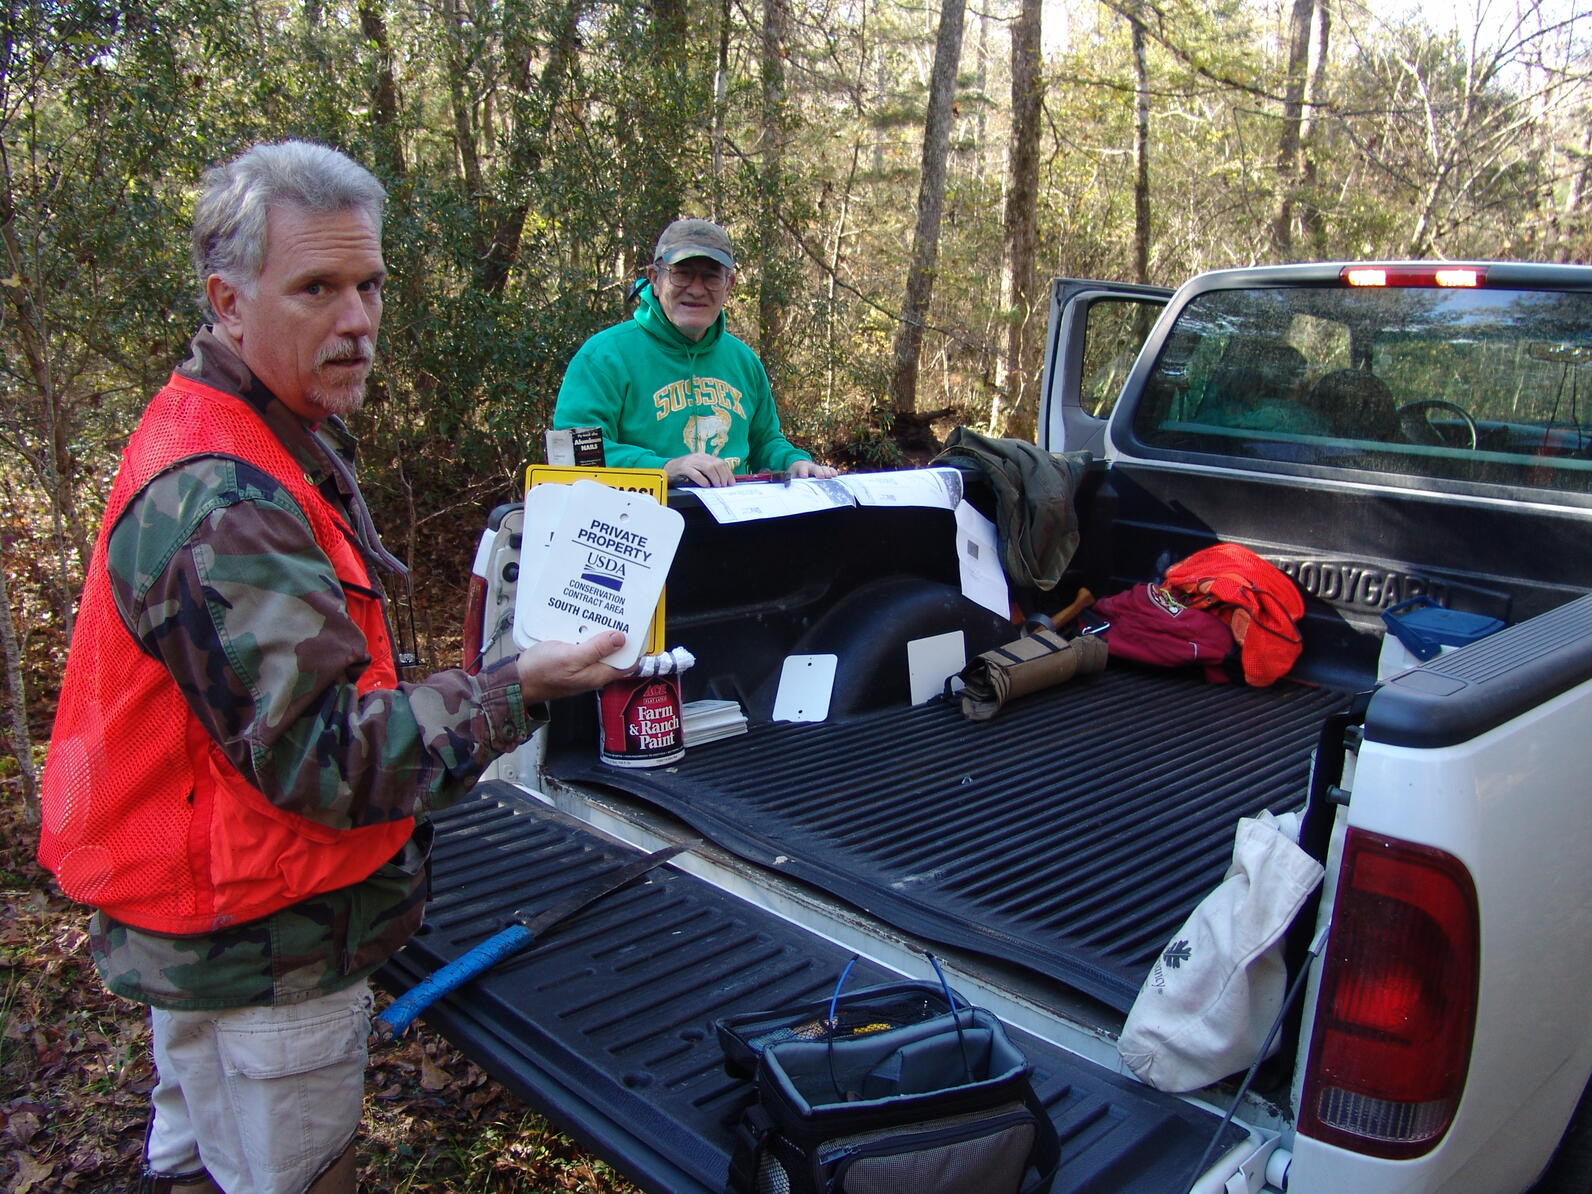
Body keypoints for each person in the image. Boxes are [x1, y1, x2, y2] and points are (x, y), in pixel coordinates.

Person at [36, 141, 628, 1194]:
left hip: (212, 915)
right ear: (228, 300)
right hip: (263, 945)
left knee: (192, 1152)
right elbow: (326, 762)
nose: (356, 320)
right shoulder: (229, 497)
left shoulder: (244, 427)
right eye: (316, 287)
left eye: (370, 285)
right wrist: (517, 688)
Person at [553, 217, 838, 487]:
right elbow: (571, 458)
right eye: (682, 274)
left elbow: (764, 442)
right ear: (655, 277)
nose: (697, 289)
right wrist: (663, 469)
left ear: (729, 285)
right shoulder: (603, 357)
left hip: (727, 527)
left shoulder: (743, 361)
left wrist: (794, 462)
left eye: (711, 277)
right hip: (636, 528)